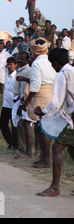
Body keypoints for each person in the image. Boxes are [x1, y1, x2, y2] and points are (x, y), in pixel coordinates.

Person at [35, 48, 74, 197]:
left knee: (57, 148)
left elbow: (56, 102)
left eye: (52, 64)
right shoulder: (72, 70)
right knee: (71, 148)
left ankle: (55, 187)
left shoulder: (62, 75)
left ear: (56, 63)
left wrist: (43, 112)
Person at [22, 38, 57, 168]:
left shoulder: (36, 64)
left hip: (41, 94)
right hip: (50, 93)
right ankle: (43, 157)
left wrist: (26, 102)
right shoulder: (49, 61)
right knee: (43, 127)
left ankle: (46, 159)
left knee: (42, 128)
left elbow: (35, 86)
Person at [0, 56, 18, 149]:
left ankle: (16, 145)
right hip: (6, 104)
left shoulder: (17, 77)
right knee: (2, 124)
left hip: (14, 104)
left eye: (11, 65)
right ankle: (11, 142)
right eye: (8, 64)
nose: (9, 66)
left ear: (15, 65)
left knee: (14, 126)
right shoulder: (6, 75)